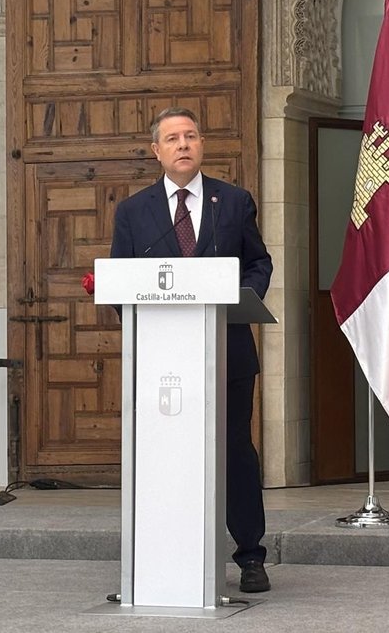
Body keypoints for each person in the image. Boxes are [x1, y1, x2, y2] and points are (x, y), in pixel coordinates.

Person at [109, 107, 273, 594]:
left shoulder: (234, 201)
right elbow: (122, 283)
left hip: (228, 354)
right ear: (156, 150)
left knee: (234, 452)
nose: (184, 145)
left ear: (202, 146)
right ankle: (161, 556)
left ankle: (250, 555)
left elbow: (259, 263)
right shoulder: (134, 213)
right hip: (162, 360)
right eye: (173, 138)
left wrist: (245, 297)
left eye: (192, 136)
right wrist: (146, 331)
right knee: (163, 453)